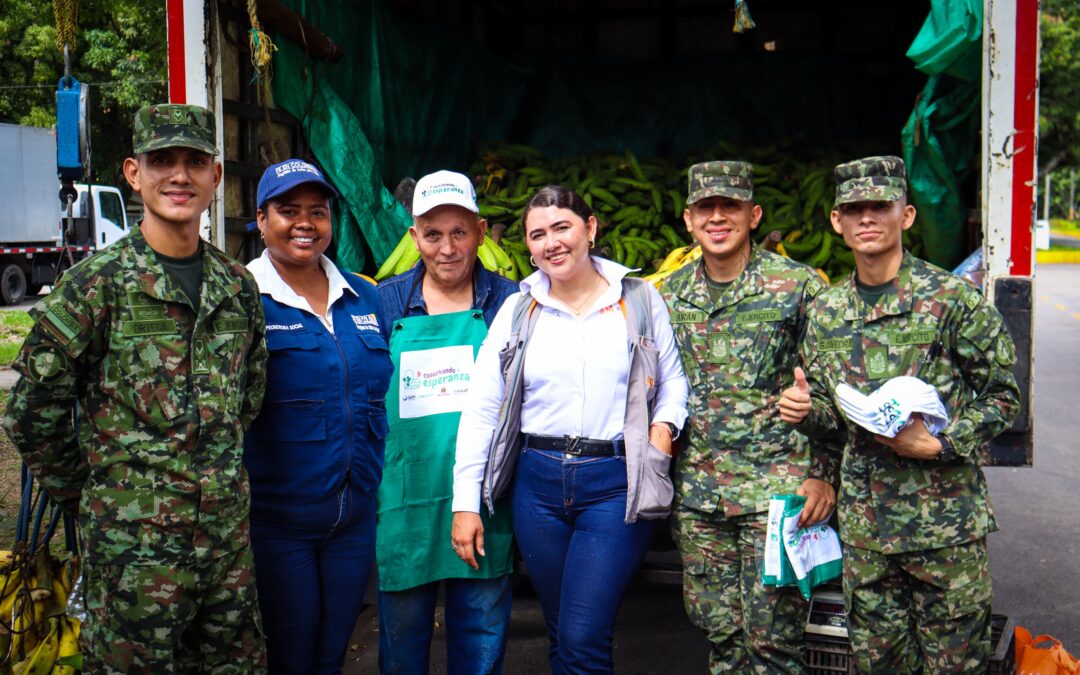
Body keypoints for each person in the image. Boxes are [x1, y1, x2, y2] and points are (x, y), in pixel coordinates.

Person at [3, 103, 268, 672]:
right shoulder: (95, 285)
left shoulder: (238, 288)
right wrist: (98, 498)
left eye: (195, 161)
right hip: (132, 563)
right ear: (133, 173)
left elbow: (246, 399)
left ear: (215, 177)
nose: (179, 175)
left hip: (225, 554)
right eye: (161, 160)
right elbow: (30, 413)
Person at [778, 156, 1020, 672]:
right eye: (854, 208)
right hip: (867, 534)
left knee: (958, 665)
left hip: (945, 530)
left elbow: (1003, 397)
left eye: (880, 207)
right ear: (837, 222)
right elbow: (831, 419)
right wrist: (805, 410)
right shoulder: (825, 312)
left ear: (906, 216)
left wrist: (943, 443)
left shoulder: (952, 300)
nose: (867, 218)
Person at [452, 185, 689, 674]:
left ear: (591, 228)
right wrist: (465, 502)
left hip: (614, 486)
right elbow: (482, 405)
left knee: (582, 637)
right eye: (537, 235)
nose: (551, 243)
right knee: (561, 632)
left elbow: (673, 383)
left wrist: (662, 433)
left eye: (562, 227)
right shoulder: (520, 309)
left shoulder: (639, 299)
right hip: (537, 487)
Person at [659, 161, 836, 673]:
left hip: (777, 496)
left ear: (753, 214)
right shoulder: (666, 296)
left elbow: (829, 391)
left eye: (730, 206)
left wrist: (823, 476)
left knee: (773, 645)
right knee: (720, 636)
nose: (718, 217)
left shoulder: (798, 286)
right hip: (698, 498)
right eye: (705, 208)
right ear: (689, 221)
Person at [243, 158, 392, 673]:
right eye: (288, 210)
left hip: (353, 522)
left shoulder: (365, 296)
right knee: (290, 657)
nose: (305, 222)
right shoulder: (244, 300)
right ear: (262, 220)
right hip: (279, 525)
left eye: (317, 211)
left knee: (332, 655)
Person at [375, 170, 518, 675]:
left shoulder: (512, 301)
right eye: (433, 235)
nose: (447, 248)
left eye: (460, 232)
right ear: (414, 237)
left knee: (479, 647)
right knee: (402, 649)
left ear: (480, 232)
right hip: (405, 498)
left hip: (484, 499)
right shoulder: (385, 302)